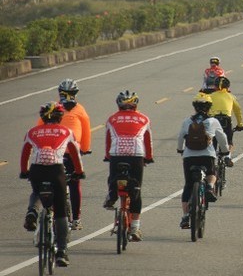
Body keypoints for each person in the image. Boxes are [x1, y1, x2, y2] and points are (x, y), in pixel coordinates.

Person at [20, 102, 85, 267]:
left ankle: (32, 213)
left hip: (36, 170)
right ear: (60, 117)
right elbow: (75, 154)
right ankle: (62, 252)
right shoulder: (66, 132)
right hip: (56, 171)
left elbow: (25, 153)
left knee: (36, 192)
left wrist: (24, 171)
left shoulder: (32, 132)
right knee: (61, 212)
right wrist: (79, 171)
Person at [26, 79, 92, 232]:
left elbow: (38, 129)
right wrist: (85, 149)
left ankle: (36, 211)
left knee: (40, 187)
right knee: (74, 184)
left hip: (46, 154)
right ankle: (76, 219)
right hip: (69, 153)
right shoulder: (80, 110)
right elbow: (86, 131)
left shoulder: (52, 109)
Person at [103, 90, 154, 242]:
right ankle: (135, 228)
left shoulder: (111, 119)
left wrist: (108, 156)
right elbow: (148, 142)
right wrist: (149, 157)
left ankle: (112, 196)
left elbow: (108, 141)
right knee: (136, 190)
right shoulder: (144, 119)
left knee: (113, 179)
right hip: (136, 157)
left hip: (116, 155)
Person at [177, 92, 229, 228]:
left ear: (194, 107)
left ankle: (185, 216)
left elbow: (180, 138)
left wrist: (180, 149)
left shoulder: (187, 121)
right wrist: (225, 151)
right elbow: (222, 138)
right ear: (209, 107)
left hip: (189, 156)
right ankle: (210, 188)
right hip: (207, 155)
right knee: (212, 174)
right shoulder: (213, 121)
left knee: (188, 185)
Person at [209, 76, 243, 167]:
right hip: (226, 120)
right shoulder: (231, 96)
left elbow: (206, 111)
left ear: (215, 87)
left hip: (213, 120)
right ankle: (228, 156)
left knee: (212, 141)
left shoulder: (210, 96)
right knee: (229, 141)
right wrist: (240, 124)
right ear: (228, 87)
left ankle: (210, 159)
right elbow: (238, 111)